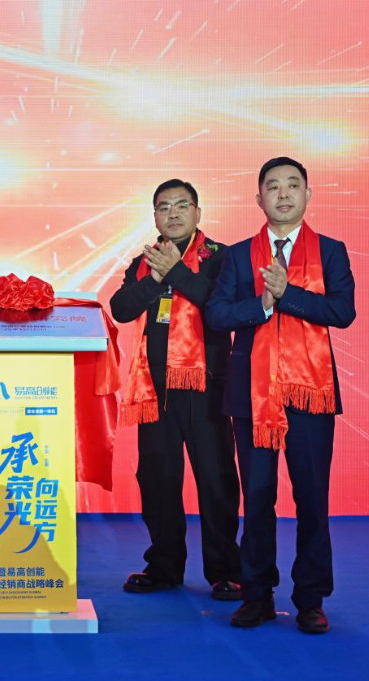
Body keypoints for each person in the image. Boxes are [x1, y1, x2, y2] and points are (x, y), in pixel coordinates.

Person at [205, 157, 356, 634]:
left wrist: (287, 294)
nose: (284, 194)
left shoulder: (331, 251)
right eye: (273, 186)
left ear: (308, 195)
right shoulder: (236, 256)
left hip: (310, 395)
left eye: (293, 185)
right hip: (251, 396)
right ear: (259, 198)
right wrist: (262, 304)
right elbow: (217, 315)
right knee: (257, 498)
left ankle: (311, 598)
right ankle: (256, 594)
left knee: (312, 498)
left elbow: (342, 311)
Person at [109, 179, 242, 600]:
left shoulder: (221, 258)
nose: (173, 214)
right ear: (155, 217)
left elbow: (220, 310)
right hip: (154, 390)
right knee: (158, 479)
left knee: (216, 480)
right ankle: (164, 566)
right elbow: (120, 308)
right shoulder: (144, 261)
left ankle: (225, 570)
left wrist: (176, 273)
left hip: (206, 387)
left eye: (182, 205)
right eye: (164, 207)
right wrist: (156, 277)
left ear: (198, 213)